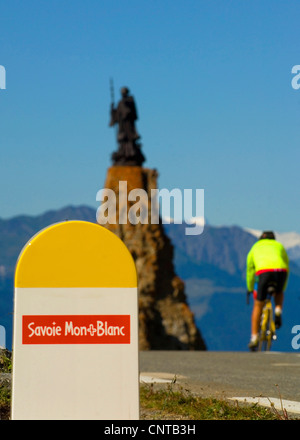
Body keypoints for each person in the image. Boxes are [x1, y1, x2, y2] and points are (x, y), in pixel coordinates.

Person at [246, 231, 289, 351]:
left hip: (264, 273)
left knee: (258, 305)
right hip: (281, 271)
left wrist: (250, 288)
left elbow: (250, 270)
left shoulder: (255, 246)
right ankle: (278, 310)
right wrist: (282, 289)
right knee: (279, 292)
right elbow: (287, 265)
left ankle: (254, 337)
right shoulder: (279, 246)